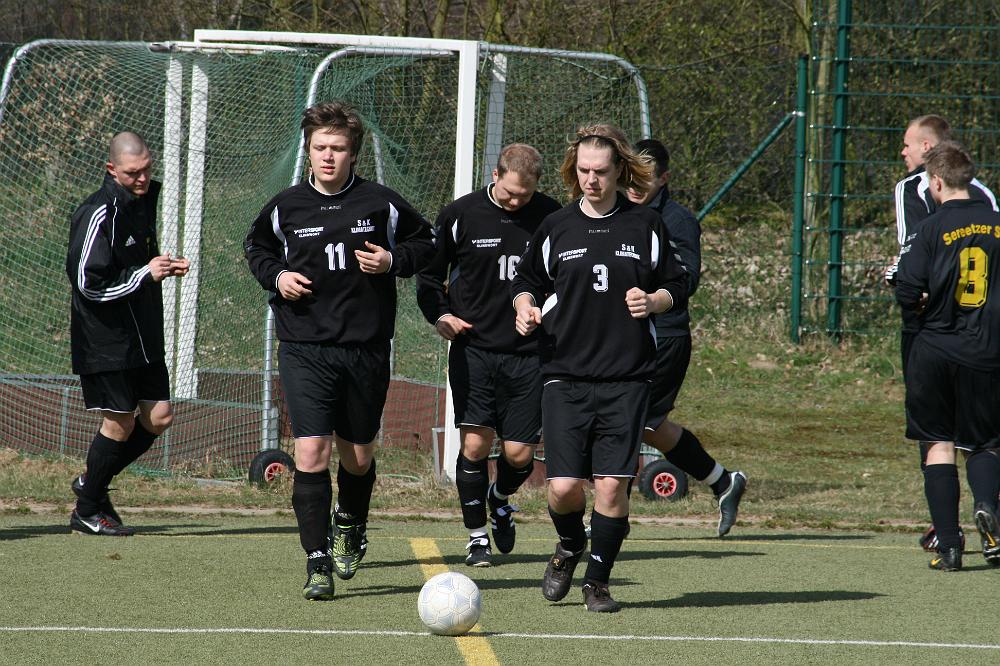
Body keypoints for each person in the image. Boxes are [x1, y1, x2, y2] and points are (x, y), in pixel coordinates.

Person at [244, 101, 434, 600]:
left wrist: (393, 260)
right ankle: (316, 561)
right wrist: (278, 276)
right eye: (319, 147)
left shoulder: (381, 203)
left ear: (354, 153)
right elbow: (256, 248)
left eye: (338, 148)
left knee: (357, 454)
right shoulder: (286, 205)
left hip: (365, 348)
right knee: (311, 451)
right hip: (304, 347)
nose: (327, 157)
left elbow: (428, 244)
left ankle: (349, 521)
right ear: (308, 150)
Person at [512, 124, 689, 612]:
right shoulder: (556, 226)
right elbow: (527, 282)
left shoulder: (646, 225)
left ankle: (598, 582)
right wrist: (524, 307)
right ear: (575, 171)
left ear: (619, 172)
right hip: (563, 372)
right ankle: (570, 544)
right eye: (583, 171)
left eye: (601, 172)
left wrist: (654, 300)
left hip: (627, 375)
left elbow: (678, 284)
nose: (591, 179)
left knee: (612, 486)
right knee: (565, 488)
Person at [416, 144, 561, 567]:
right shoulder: (460, 214)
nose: (518, 202)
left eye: (526, 195)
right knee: (476, 445)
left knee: (518, 455)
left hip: (531, 353)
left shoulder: (552, 218)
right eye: (512, 192)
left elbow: (566, 279)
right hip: (474, 349)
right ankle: (476, 536)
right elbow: (428, 276)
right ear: (495, 175)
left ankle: (499, 500)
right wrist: (440, 315)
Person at [883, 115, 998, 551]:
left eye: (908, 144)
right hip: (986, 341)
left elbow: (908, 279)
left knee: (936, 438)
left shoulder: (925, 217)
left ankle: (947, 537)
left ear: (935, 179)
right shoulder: (991, 208)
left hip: (933, 337)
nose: (903, 152)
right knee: (986, 440)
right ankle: (990, 507)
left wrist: (912, 295)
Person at [66, 131, 190, 536]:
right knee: (118, 424)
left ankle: (92, 482)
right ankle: (87, 509)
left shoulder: (139, 204)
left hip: (143, 338)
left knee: (159, 417)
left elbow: (139, 268)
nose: (141, 178)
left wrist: (162, 267)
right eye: (133, 173)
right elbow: (87, 282)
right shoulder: (97, 211)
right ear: (111, 169)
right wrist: (144, 274)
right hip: (106, 341)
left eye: (146, 170)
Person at [626, 139, 747, 536]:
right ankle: (722, 481)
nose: (636, 184)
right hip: (623, 337)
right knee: (649, 425)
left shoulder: (676, 220)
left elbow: (686, 279)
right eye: (632, 174)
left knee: (625, 421)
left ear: (664, 179)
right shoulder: (617, 212)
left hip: (664, 337)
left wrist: (650, 293)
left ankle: (611, 515)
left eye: (646, 178)